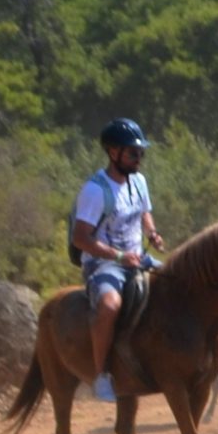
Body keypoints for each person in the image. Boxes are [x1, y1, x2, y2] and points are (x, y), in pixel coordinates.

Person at [71, 118, 167, 405]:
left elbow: (144, 212)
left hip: (138, 257)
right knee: (109, 306)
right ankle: (101, 375)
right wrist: (118, 256)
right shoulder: (95, 190)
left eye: (140, 153)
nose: (139, 159)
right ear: (113, 153)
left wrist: (152, 232)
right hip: (103, 264)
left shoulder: (138, 181)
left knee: (182, 283)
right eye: (132, 153)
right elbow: (80, 237)